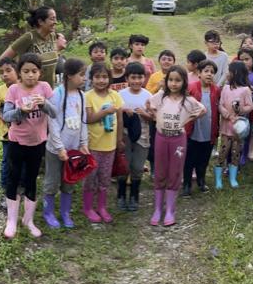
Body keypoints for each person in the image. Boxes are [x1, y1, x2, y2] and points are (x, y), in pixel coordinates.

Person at [0, 53, 57, 239]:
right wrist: (20, 111)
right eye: (26, 71)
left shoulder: (45, 87)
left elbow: (55, 112)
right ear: (19, 73)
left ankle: (28, 219)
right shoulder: (14, 90)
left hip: (37, 143)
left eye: (34, 71)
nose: (30, 75)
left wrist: (44, 104)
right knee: (13, 179)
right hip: (16, 142)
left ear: (40, 72)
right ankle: (11, 220)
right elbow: (6, 116)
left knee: (31, 179)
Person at [146, 66, 204, 226]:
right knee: (160, 171)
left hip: (178, 140)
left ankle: (170, 209)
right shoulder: (160, 97)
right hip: (161, 138)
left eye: (178, 80)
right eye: (171, 80)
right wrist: (154, 115)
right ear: (166, 81)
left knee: (175, 172)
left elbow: (202, 110)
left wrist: (188, 119)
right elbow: (148, 104)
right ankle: (158, 209)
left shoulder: (188, 101)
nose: (173, 83)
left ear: (184, 82)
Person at [42, 59, 90, 229]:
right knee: (52, 182)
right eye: (81, 75)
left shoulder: (82, 96)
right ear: (69, 76)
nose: (84, 78)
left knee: (69, 183)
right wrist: (59, 147)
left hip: (74, 150)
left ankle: (65, 212)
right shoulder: (57, 94)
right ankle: (48, 212)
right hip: (56, 150)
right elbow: (52, 123)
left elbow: (83, 121)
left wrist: (84, 143)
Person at [83, 63, 124, 224]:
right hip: (93, 146)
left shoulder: (115, 96)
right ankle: (87, 207)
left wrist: (119, 139)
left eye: (105, 77)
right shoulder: (88, 96)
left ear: (109, 78)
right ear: (91, 79)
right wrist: (105, 112)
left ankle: (101, 207)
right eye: (97, 77)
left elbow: (119, 119)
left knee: (105, 178)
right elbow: (89, 118)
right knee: (90, 178)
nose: (101, 80)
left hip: (110, 146)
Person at [118, 62, 153, 212]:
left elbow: (153, 117)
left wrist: (144, 114)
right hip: (125, 134)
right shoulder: (120, 95)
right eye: (133, 77)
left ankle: (134, 195)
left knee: (138, 167)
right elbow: (114, 113)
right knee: (124, 166)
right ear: (127, 78)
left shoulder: (148, 96)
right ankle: (121, 195)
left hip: (143, 135)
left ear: (144, 78)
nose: (137, 81)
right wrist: (124, 110)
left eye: (140, 77)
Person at [184, 60, 221, 196]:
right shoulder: (191, 87)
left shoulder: (216, 90)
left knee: (204, 159)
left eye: (212, 72)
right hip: (193, 130)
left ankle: (201, 180)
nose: (209, 74)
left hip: (209, 130)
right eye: (206, 71)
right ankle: (187, 184)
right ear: (199, 73)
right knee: (189, 159)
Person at [215, 61, 253, 190]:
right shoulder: (225, 88)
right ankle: (218, 179)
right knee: (223, 151)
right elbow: (220, 104)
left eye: (229, 71)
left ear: (235, 73)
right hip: (226, 127)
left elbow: (250, 106)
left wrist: (240, 110)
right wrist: (226, 113)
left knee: (236, 152)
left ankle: (233, 178)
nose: (227, 73)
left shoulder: (246, 90)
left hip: (238, 128)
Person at [0, 7, 60, 86]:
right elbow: (3, 58)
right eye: (52, 19)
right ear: (41, 21)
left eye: (55, 19)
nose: (55, 22)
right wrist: (16, 78)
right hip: (31, 92)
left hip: (49, 90)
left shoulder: (52, 36)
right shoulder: (29, 37)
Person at [0, 57, 19, 190]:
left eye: (9, 70)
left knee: (23, 160)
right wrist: (5, 132)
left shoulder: (23, 87)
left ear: (17, 70)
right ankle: (5, 185)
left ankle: (22, 184)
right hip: (8, 134)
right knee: (7, 160)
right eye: (1, 72)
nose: (5, 74)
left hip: (23, 133)